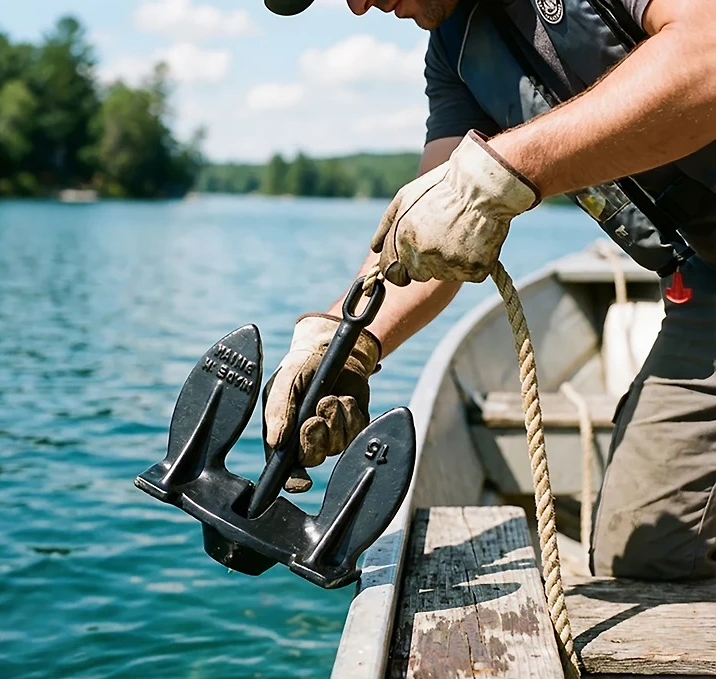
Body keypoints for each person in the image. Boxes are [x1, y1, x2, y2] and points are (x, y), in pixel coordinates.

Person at [261, 0, 716, 580]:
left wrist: (506, 169)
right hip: (708, 277)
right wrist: (343, 344)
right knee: (649, 552)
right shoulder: (456, 52)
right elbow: (428, 230)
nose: (355, 5)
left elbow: (708, 53)